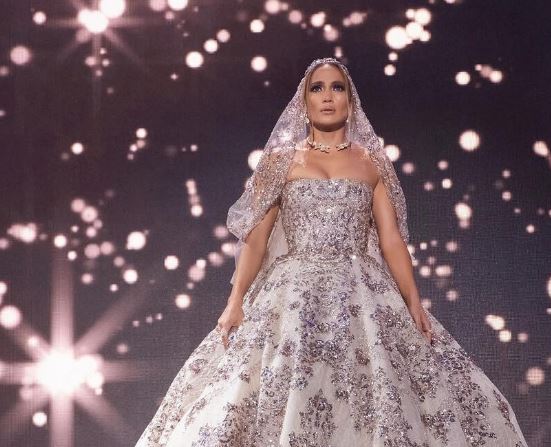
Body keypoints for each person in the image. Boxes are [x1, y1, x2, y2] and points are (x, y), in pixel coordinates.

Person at [135, 57, 529, 447]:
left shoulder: (371, 163)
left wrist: (414, 302)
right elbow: (256, 240)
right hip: (291, 295)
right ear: (303, 101)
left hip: (360, 294)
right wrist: (235, 301)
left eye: (337, 88)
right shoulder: (279, 163)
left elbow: (391, 239)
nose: (327, 96)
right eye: (317, 88)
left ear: (350, 101)